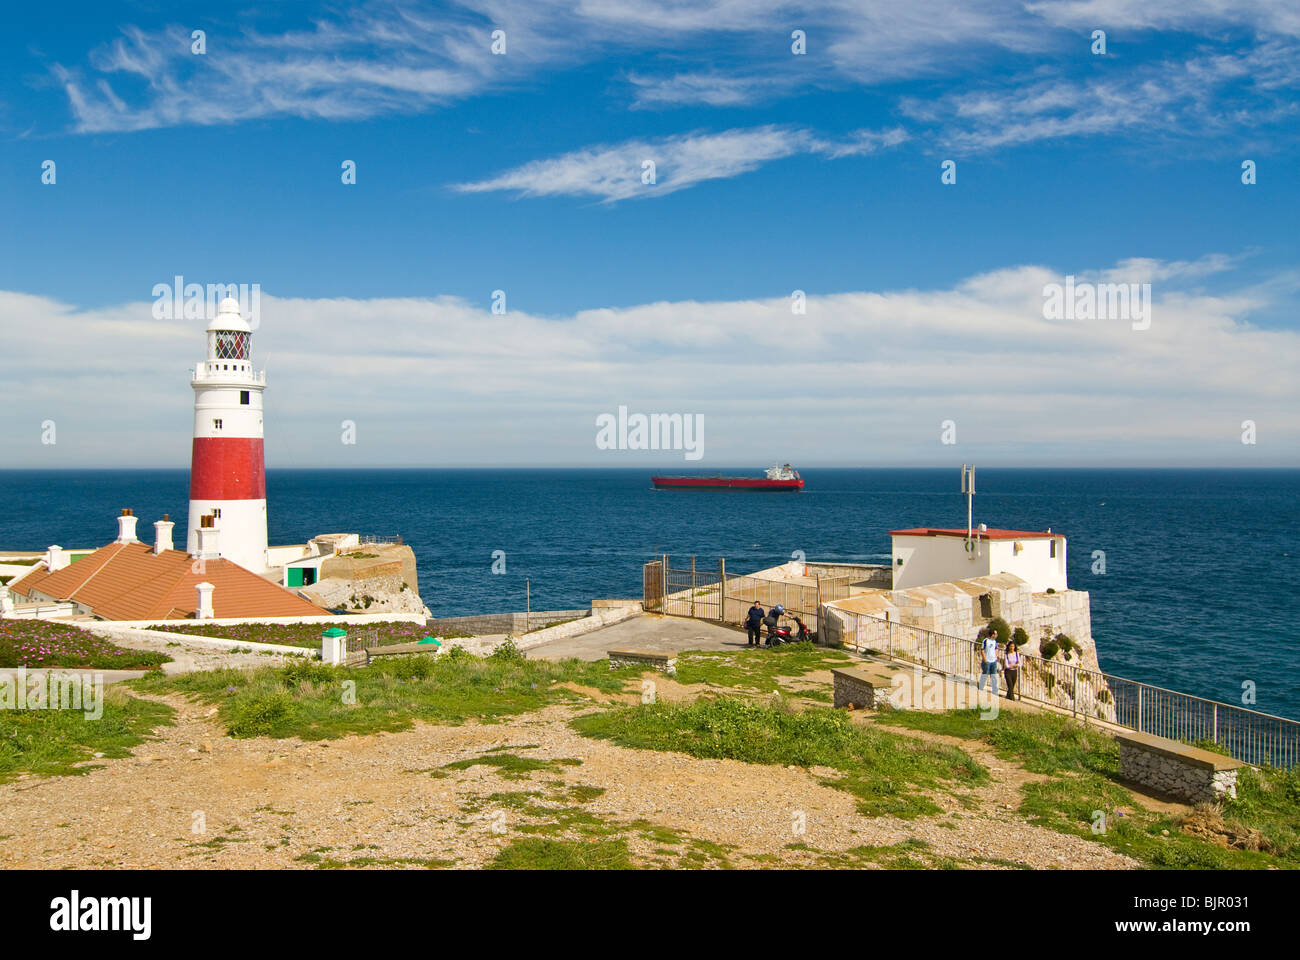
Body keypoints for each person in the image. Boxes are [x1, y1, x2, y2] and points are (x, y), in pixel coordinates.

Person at [977, 628, 1000, 699]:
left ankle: (995, 691)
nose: (996, 635)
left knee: (994, 676)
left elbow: (996, 649)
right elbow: (982, 650)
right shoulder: (986, 641)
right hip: (987, 661)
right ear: (992, 634)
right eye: (995, 634)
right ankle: (981, 687)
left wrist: (996, 656)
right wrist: (985, 659)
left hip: (993, 661)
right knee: (985, 673)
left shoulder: (994, 641)